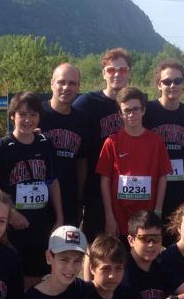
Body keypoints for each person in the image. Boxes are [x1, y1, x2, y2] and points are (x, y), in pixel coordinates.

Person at [0, 91, 64, 287]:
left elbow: (53, 181)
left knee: (36, 278)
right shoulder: (2, 147)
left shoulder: (45, 143)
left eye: (33, 115)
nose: (28, 120)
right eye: (22, 114)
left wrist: (59, 218)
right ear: (12, 116)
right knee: (10, 279)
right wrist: (11, 213)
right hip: (14, 223)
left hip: (41, 220)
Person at [96, 87, 172, 237]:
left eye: (136, 109)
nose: (131, 114)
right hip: (119, 219)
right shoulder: (111, 142)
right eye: (127, 110)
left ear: (143, 110)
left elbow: (163, 176)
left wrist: (158, 210)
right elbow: (105, 180)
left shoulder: (156, 141)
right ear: (120, 114)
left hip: (147, 219)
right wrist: (109, 216)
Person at [73, 48, 131, 237]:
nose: (117, 74)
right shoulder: (87, 102)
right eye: (111, 70)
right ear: (103, 73)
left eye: (122, 70)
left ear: (129, 73)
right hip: (96, 186)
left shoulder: (134, 103)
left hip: (127, 186)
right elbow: (62, 117)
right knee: (95, 243)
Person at [144, 59, 184, 223]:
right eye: (167, 81)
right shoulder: (147, 111)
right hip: (151, 184)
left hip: (178, 186)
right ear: (159, 85)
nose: (172, 85)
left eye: (178, 81)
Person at [42, 63, 91, 226]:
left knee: (67, 250)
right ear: (52, 84)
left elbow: (81, 161)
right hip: (38, 198)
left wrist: (80, 195)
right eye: (61, 82)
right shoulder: (37, 115)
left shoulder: (82, 120)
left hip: (69, 198)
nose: (66, 87)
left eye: (72, 83)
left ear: (78, 87)